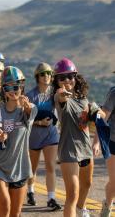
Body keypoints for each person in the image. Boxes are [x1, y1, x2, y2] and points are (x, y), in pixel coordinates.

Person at [53, 58, 99, 217]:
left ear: (75, 78)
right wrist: (62, 94)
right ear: (57, 81)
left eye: (70, 76)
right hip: (69, 151)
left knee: (87, 184)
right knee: (72, 195)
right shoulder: (59, 98)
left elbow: (94, 122)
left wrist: (97, 140)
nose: (66, 80)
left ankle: (81, 209)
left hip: (85, 150)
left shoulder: (84, 100)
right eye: (62, 77)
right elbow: (61, 97)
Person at [0, 66, 37, 217]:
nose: (13, 90)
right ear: (3, 89)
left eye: (16, 86)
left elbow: (30, 113)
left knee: (15, 213)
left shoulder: (29, 108)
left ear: (22, 87)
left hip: (20, 167)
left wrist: (27, 107)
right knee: (4, 206)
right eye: (8, 86)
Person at [26, 62, 62, 210]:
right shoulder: (30, 96)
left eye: (48, 73)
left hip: (51, 135)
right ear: (37, 77)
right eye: (42, 74)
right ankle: (30, 191)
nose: (46, 76)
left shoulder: (55, 93)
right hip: (34, 136)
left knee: (50, 167)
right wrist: (40, 122)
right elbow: (26, 120)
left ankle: (51, 198)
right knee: (32, 169)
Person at [98, 70, 115, 217]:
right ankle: (107, 205)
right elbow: (103, 117)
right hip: (112, 142)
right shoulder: (113, 93)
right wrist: (97, 140)